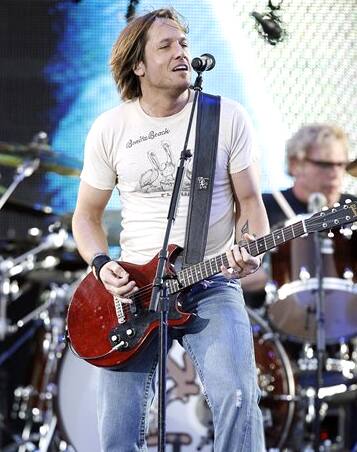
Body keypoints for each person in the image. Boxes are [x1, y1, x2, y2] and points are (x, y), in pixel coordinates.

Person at [72, 8, 269, 452]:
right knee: (117, 430)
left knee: (238, 396)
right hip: (135, 293)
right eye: (166, 46)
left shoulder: (225, 117)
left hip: (211, 279)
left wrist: (250, 245)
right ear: (138, 65)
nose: (181, 52)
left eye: (183, 43)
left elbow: (251, 202)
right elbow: (85, 216)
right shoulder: (111, 128)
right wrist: (103, 265)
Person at [242, 123, 357, 306]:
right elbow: (237, 276)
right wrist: (285, 267)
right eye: (325, 165)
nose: (336, 174)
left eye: (341, 165)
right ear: (296, 164)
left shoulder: (352, 208)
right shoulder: (264, 208)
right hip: (275, 321)